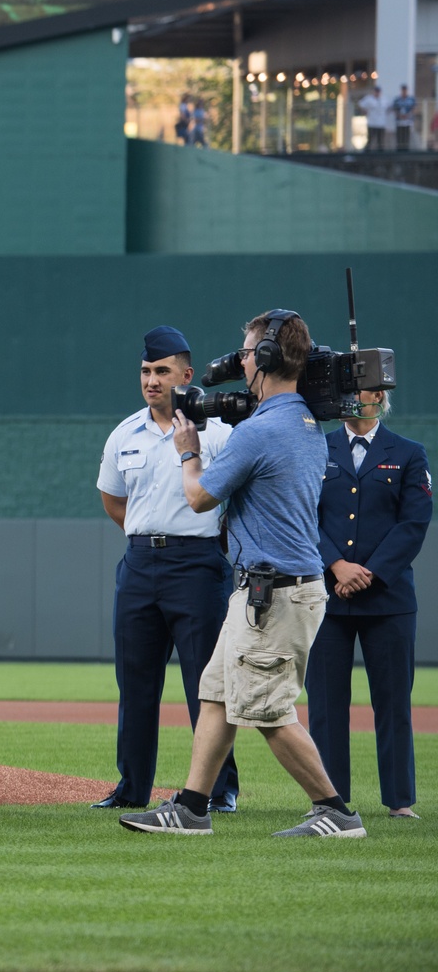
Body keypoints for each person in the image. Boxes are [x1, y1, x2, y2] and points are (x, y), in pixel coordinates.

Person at [121, 310, 365, 838]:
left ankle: (336, 812)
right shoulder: (303, 419)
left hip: (274, 594)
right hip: (264, 589)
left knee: (269, 710)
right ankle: (191, 807)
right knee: (217, 695)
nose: (241, 361)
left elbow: (199, 496)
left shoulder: (261, 430)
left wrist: (188, 453)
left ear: (270, 359)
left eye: (249, 352)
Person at [94, 326, 242, 812]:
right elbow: (113, 499)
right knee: (135, 687)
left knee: (207, 686)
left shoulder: (220, 434)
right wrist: (148, 533)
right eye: (145, 371)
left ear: (187, 375)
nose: (151, 380)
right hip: (139, 564)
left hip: (198, 566)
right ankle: (131, 789)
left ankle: (217, 792)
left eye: (161, 371)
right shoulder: (124, 433)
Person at [307, 389, 429, 818]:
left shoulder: (410, 454)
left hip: (389, 600)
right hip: (326, 597)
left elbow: (413, 524)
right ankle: (329, 801)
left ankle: (399, 801)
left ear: (380, 395)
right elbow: (304, 514)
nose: (357, 396)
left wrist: (369, 573)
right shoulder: (316, 448)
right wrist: (337, 565)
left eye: (366, 388)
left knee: (393, 702)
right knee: (324, 704)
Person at [359, 84, 388, 152]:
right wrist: (364, 111)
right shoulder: (369, 98)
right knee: (370, 138)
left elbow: (389, 107)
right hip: (372, 122)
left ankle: (380, 153)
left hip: (381, 123)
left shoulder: (384, 99)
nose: (377, 93)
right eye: (376, 91)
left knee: (380, 140)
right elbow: (360, 104)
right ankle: (367, 152)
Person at [390, 83, 418, 152]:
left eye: (405, 90)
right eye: (403, 90)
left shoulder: (411, 99)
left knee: (406, 137)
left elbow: (414, 108)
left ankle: (406, 150)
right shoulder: (397, 99)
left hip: (407, 122)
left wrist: (408, 115)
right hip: (399, 121)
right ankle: (399, 150)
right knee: (399, 137)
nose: (404, 91)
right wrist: (399, 115)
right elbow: (394, 109)